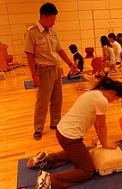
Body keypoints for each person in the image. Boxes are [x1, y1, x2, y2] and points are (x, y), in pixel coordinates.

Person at [27, 77, 122, 189]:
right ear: (113, 93)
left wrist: (103, 141)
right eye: (115, 99)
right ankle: (49, 180)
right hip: (70, 138)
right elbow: (102, 126)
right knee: (87, 170)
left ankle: (46, 159)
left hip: (62, 131)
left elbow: (97, 125)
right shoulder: (102, 101)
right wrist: (105, 144)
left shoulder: (92, 93)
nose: (113, 101)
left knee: (80, 155)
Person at [24, 3, 77, 140]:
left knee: (57, 99)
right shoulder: (32, 32)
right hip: (43, 70)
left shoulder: (52, 31)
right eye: (51, 20)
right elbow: (29, 55)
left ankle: (55, 123)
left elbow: (59, 50)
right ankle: (38, 128)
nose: (53, 23)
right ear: (43, 17)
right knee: (42, 101)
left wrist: (70, 64)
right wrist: (34, 75)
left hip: (55, 68)